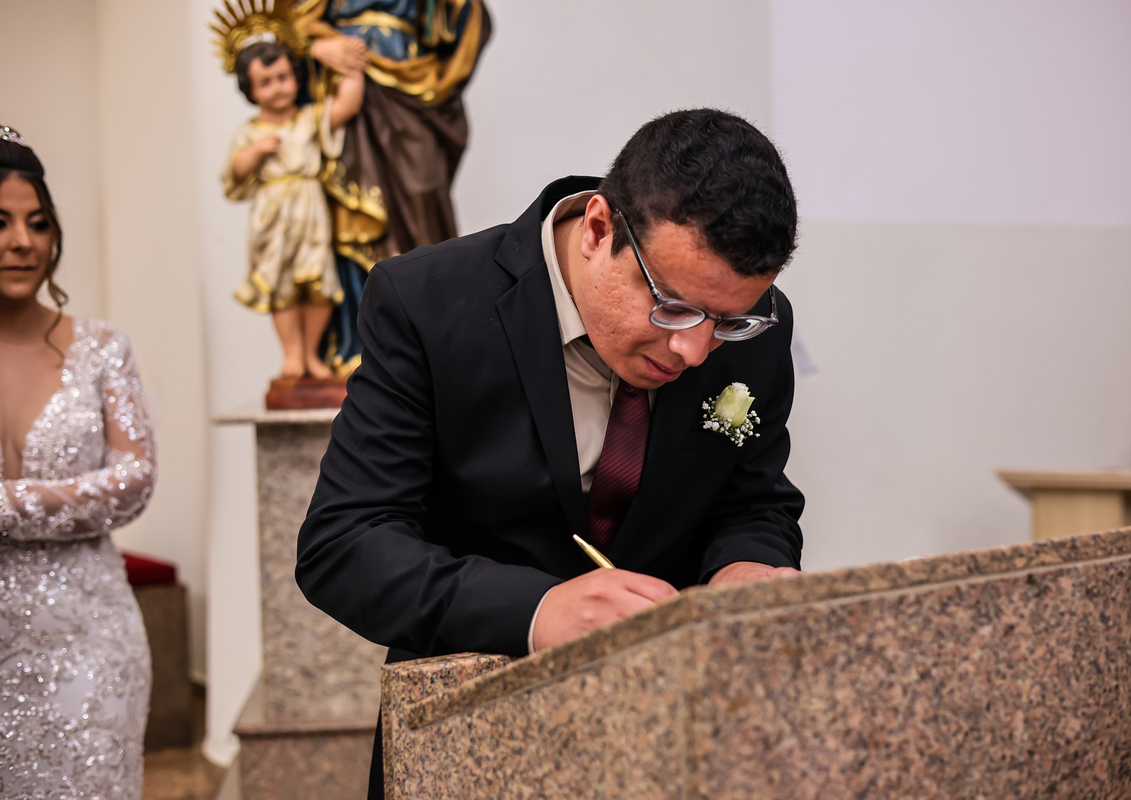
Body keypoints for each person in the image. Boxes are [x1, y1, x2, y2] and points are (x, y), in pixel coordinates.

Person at [296, 108, 804, 797]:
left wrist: (747, 566)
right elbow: (344, 544)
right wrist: (536, 611)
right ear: (597, 229)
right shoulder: (427, 302)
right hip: (471, 731)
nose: (694, 349)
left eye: (728, 322)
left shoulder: (756, 329)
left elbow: (753, 500)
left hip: (674, 734)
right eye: (674, 308)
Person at [0, 127, 157, 799]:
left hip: (90, 643)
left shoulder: (101, 349)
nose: (22, 241)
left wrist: (5, 504)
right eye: (0, 222)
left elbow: (133, 481)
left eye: (37, 223)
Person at [294, 0, 492, 373]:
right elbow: (292, 21)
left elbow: (466, 17)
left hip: (411, 77)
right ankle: (358, 348)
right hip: (346, 78)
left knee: (422, 194)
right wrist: (314, 45)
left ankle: (430, 343)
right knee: (352, 209)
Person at [223, 39, 364, 379]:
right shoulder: (251, 132)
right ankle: (293, 354)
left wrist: (353, 64)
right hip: (273, 219)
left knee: (318, 281)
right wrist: (255, 152)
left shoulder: (308, 118)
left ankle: (311, 354)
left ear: (296, 78)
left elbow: (346, 106)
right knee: (280, 283)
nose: (277, 88)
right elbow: (235, 172)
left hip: (311, 213)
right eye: (265, 82)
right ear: (250, 90)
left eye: (283, 78)